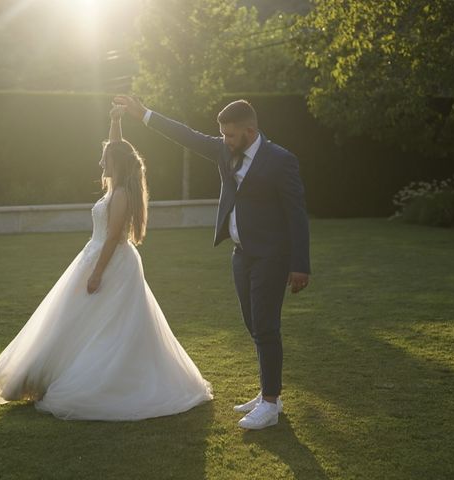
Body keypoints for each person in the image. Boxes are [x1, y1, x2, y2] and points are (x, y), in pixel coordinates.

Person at [0, 105, 213, 420]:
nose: (100, 161)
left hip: (111, 263)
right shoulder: (115, 187)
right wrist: (115, 123)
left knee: (107, 323)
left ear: (114, 164)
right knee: (74, 319)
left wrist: (96, 274)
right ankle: (39, 377)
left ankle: (89, 379)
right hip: (95, 256)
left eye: (105, 159)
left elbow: (113, 238)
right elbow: (115, 150)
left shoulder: (120, 196)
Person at [114, 95, 310, 430]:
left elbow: (296, 215)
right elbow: (186, 135)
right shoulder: (224, 150)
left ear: (250, 131)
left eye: (231, 135)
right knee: (254, 326)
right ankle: (268, 391)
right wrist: (144, 114)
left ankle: (271, 404)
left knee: (266, 327)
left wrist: (300, 264)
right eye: (222, 135)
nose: (225, 140)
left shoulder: (281, 160)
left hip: (271, 257)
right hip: (241, 255)